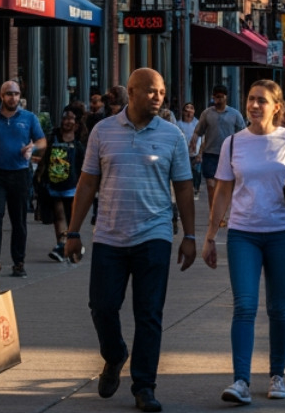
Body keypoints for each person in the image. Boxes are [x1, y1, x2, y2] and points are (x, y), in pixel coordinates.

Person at [64, 68, 196, 413]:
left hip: (154, 234)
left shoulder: (172, 135)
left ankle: (144, 386)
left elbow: (184, 187)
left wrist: (190, 235)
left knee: (148, 313)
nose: (158, 98)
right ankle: (115, 354)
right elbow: (87, 182)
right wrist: (73, 232)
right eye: (151, 91)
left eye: (162, 92)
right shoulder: (103, 131)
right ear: (132, 92)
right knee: (102, 306)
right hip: (109, 235)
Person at [202, 80, 285, 405]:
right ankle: (241, 381)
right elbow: (223, 191)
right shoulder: (233, 143)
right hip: (243, 234)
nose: (254, 105)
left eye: (261, 100)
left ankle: (277, 375)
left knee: (278, 308)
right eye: (251, 99)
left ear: (276, 106)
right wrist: (210, 236)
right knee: (244, 306)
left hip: (283, 233)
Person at [0, 80, 46, 278]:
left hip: (20, 173)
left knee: (19, 220)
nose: (13, 98)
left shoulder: (29, 118)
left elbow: (42, 141)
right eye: (9, 94)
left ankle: (19, 262)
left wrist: (33, 147)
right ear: (1, 96)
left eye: (16, 94)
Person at [42, 108, 86, 262]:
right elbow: (45, 159)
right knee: (59, 216)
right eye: (65, 118)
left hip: (72, 187)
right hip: (54, 185)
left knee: (71, 218)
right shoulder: (53, 137)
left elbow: (82, 166)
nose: (67, 121)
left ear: (77, 123)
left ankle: (71, 246)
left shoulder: (79, 143)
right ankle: (61, 245)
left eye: (71, 118)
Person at [192, 87, 246, 201]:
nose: (219, 99)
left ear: (226, 97)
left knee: (225, 187)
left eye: (221, 97)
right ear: (213, 97)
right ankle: (213, 211)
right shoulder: (207, 113)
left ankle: (223, 210)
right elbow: (199, 131)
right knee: (211, 185)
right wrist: (194, 141)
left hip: (229, 155)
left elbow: (243, 133)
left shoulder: (234, 114)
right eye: (216, 97)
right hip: (210, 154)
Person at [176, 102, 202, 194]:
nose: (189, 111)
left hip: (195, 154)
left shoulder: (198, 124)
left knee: (197, 175)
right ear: (183, 112)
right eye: (187, 108)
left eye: (191, 108)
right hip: (183, 154)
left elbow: (203, 139)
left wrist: (200, 154)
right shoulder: (178, 124)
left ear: (194, 111)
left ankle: (195, 191)